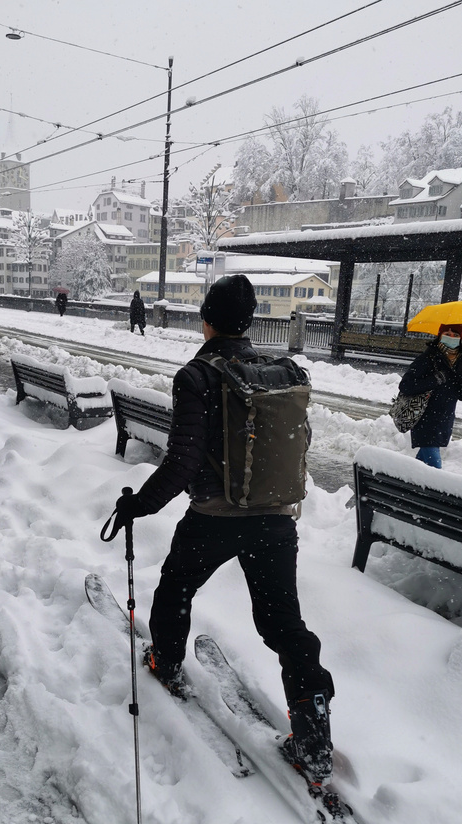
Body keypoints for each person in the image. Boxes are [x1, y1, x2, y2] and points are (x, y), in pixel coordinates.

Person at [108, 275, 335, 784]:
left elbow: (183, 462)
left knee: (175, 589)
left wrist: (139, 504)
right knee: (283, 626)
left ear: (207, 319)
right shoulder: (282, 373)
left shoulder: (197, 377)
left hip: (213, 519)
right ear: (249, 321)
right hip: (276, 523)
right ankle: (313, 730)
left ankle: (165, 662)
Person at [397, 322, 462, 469]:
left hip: (444, 420)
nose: (451, 337)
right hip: (424, 418)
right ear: (440, 335)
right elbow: (406, 386)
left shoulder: (461, 362)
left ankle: (409, 485)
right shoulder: (428, 358)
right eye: (447, 334)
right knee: (434, 467)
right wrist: (435, 379)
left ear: (461, 338)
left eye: (455, 335)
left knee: (422, 465)